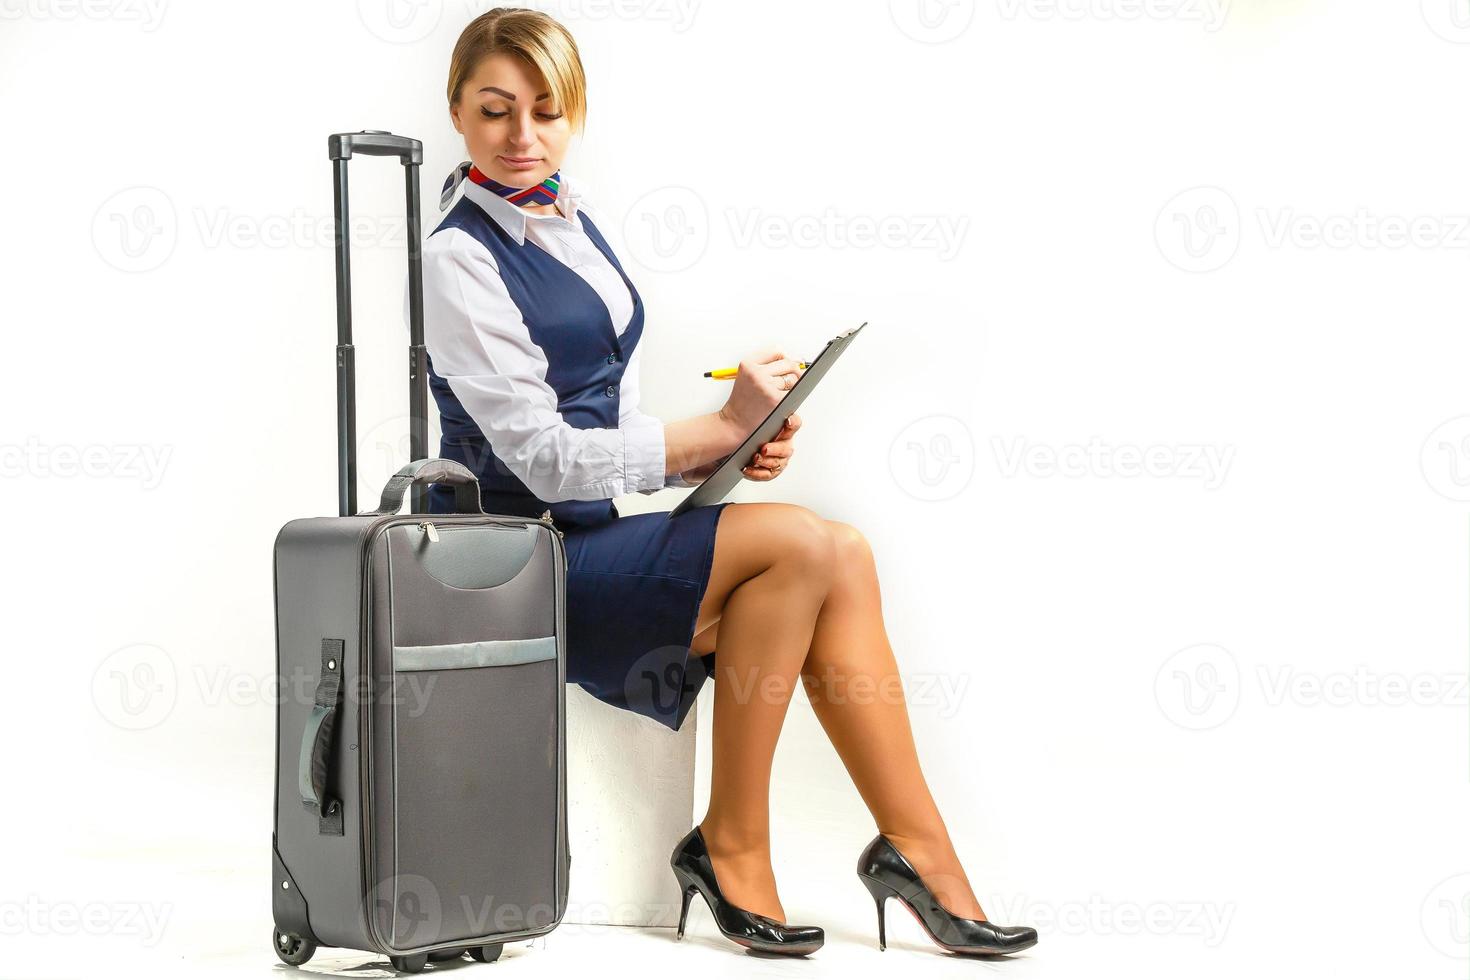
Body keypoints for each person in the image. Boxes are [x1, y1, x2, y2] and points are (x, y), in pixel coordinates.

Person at [419, 6, 1037, 958]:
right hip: (511, 570)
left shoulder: (572, 223)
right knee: (802, 543)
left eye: (546, 110)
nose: (522, 136)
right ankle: (754, 844)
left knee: (840, 552)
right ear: (457, 111)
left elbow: (595, 421)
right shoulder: (459, 257)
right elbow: (540, 457)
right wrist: (712, 429)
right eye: (496, 111)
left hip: (582, 536)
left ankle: (908, 849)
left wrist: (725, 451)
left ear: (574, 112)